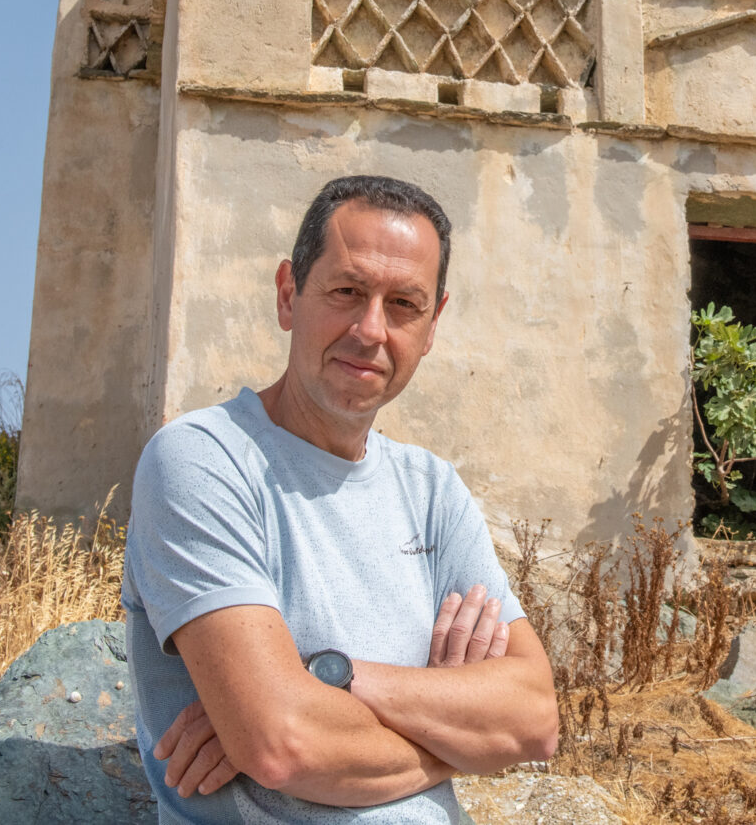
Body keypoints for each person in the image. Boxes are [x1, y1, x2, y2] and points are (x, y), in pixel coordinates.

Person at [121, 174, 559, 823]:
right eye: (347, 291)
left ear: (432, 325)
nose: (371, 329)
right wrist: (460, 736)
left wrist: (330, 678)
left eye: (404, 304)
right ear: (288, 294)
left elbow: (535, 718)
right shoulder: (203, 460)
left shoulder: (432, 491)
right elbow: (285, 744)